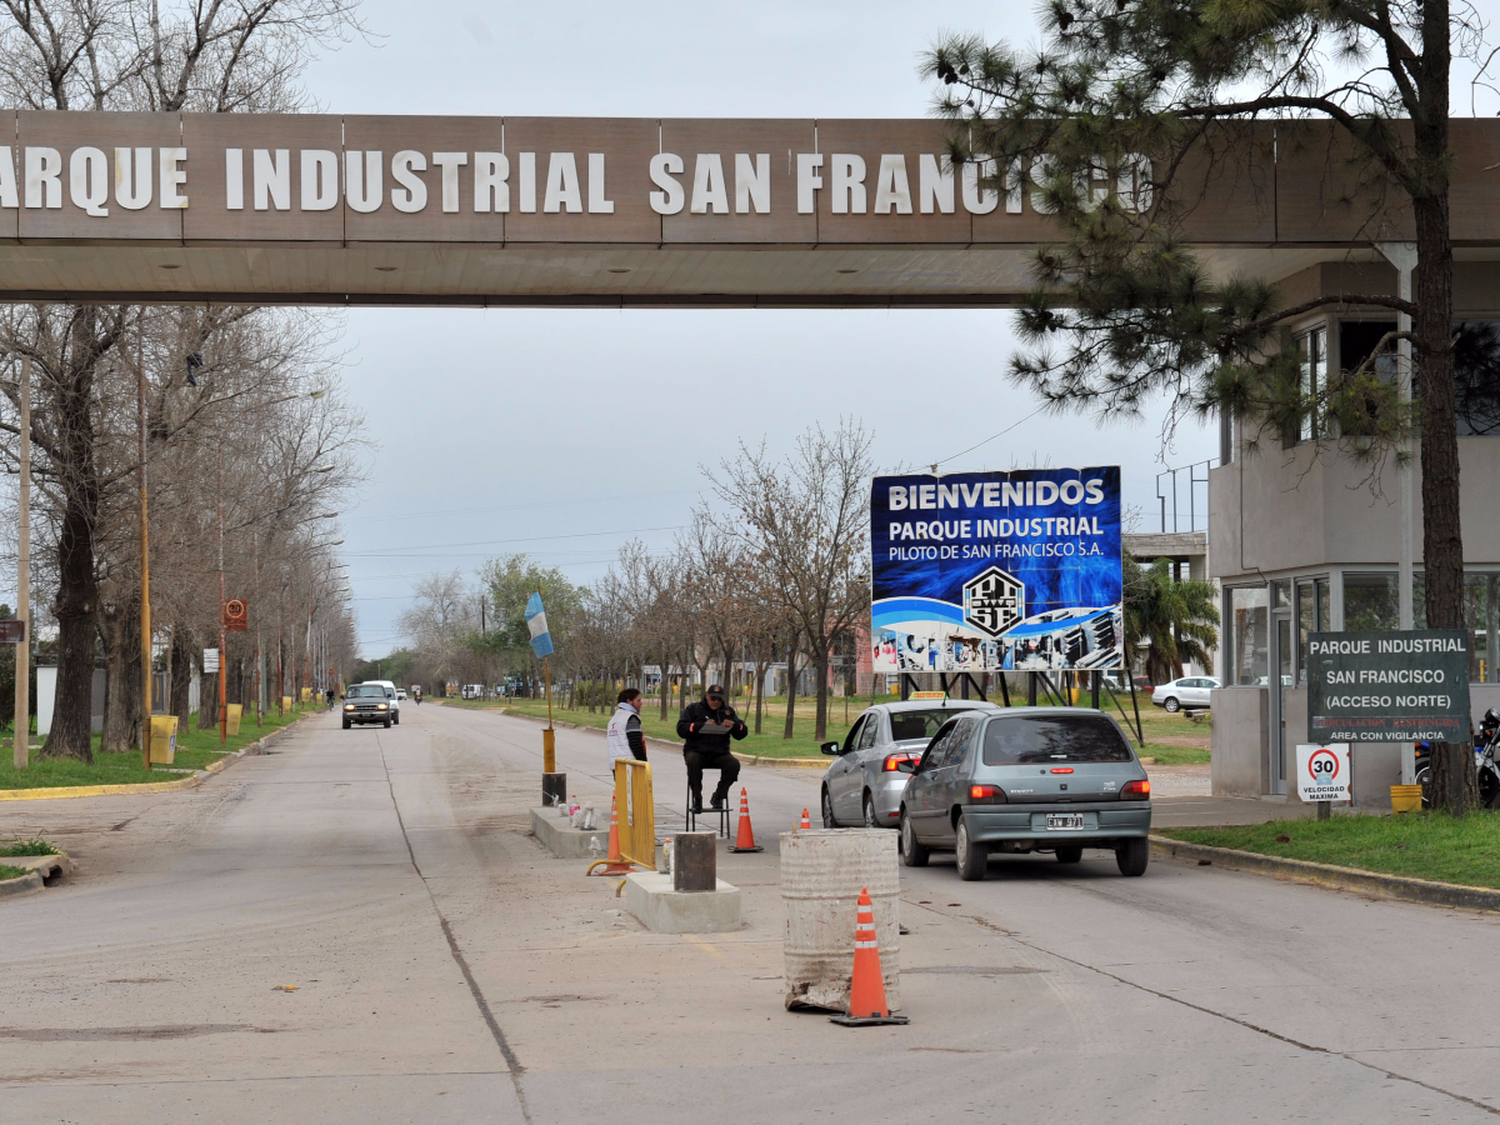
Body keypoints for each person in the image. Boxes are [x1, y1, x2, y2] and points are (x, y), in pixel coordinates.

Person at [677, 684, 746, 813]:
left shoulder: (727, 711)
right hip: (696, 750)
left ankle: (719, 796)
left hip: (719, 753)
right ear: (706, 696)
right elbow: (681, 729)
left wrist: (734, 725)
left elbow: (742, 734)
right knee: (693, 762)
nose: (716, 702)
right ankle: (697, 798)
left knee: (733, 765)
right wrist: (699, 726)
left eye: (719, 699)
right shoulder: (694, 709)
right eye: (713, 698)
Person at [606, 688, 647, 769]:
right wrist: (644, 763)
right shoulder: (631, 718)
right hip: (630, 764)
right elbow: (636, 743)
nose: (641, 703)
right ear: (629, 701)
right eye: (638, 700)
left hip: (616, 764)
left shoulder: (614, 719)